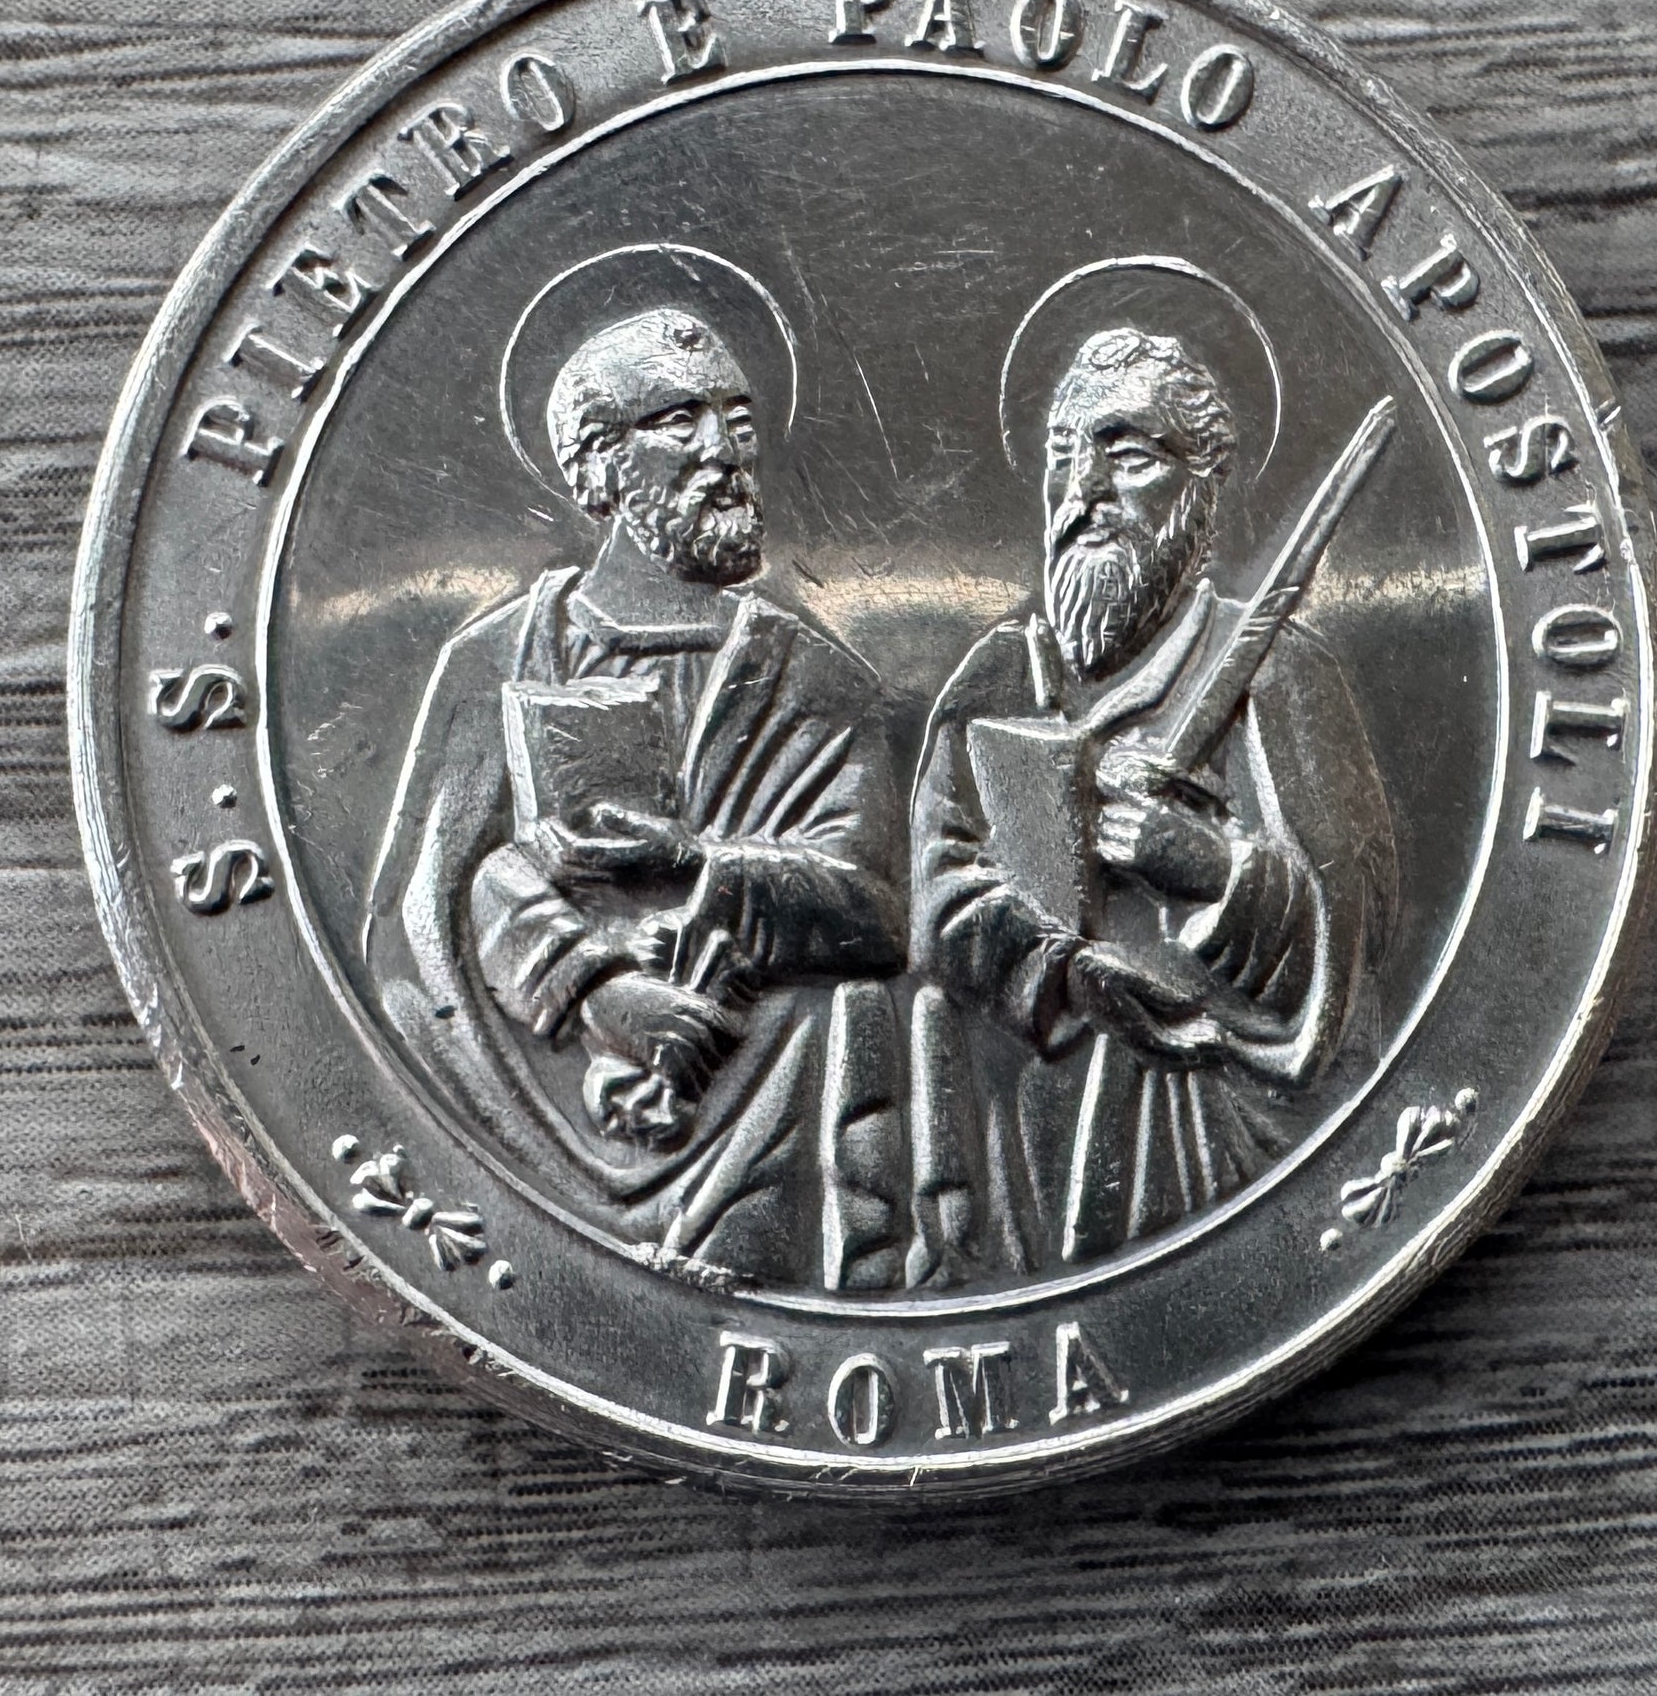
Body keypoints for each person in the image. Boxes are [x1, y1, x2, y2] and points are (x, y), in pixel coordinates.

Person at [365, 305, 906, 1289]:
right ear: (597, 465)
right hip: (535, 1118)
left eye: (738, 421)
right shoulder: (494, 660)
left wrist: (699, 865)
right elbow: (417, 923)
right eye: (678, 421)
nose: (722, 453)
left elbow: (876, 916)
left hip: (757, 1106)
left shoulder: (820, 682)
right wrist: (596, 991)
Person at [907, 326, 1397, 1283]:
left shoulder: (1284, 675)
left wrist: (1216, 871)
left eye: (1127, 458)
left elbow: (1361, 921)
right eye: (1065, 456)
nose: (1083, 492)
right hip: (1026, 1119)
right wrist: (1071, 970)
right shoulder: (1000, 675)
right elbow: (936, 896)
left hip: (1209, 1121)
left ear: (1200, 492)